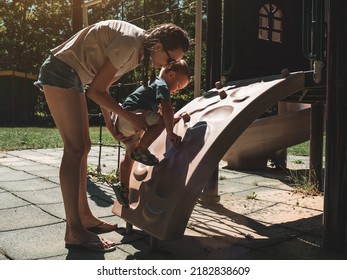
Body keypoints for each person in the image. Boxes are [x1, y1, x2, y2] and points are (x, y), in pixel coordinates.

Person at [34, 19, 190, 252]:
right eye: (171, 60)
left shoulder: (139, 52)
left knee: (83, 146)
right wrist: (131, 117)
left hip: (74, 75)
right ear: (158, 47)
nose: (170, 65)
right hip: (61, 70)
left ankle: (84, 218)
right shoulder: (130, 44)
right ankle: (74, 231)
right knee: (75, 148)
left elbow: (101, 88)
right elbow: (95, 91)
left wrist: (110, 124)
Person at [111, 60, 190, 207]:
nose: (177, 90)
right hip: (131, 116)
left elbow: (159, 112)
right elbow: (166, 110)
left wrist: (172, 119)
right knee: (160, 121)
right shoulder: (162, 84)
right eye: (179, 86)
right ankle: (141, 150)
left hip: (121, 121)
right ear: (171, 75)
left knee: (128, 157)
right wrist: (170, 132)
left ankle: (123, 189)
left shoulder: (153, 84)